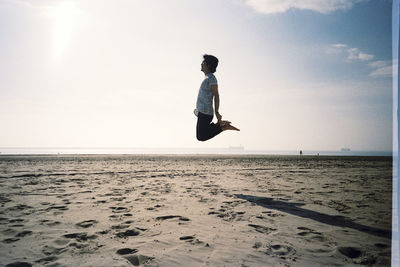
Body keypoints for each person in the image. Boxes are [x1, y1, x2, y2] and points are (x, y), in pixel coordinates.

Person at [194, 54, 239, 142]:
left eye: (203, 62)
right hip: (202, 112)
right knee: (200, 135)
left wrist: (217, 112)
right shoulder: (207, 78)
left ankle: (222, 127)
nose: (201, 64)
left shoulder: (212, 78)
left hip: (206, 112)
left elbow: (216, 95)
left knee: (201, 136)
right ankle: (220, 126)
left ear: (208, 65)